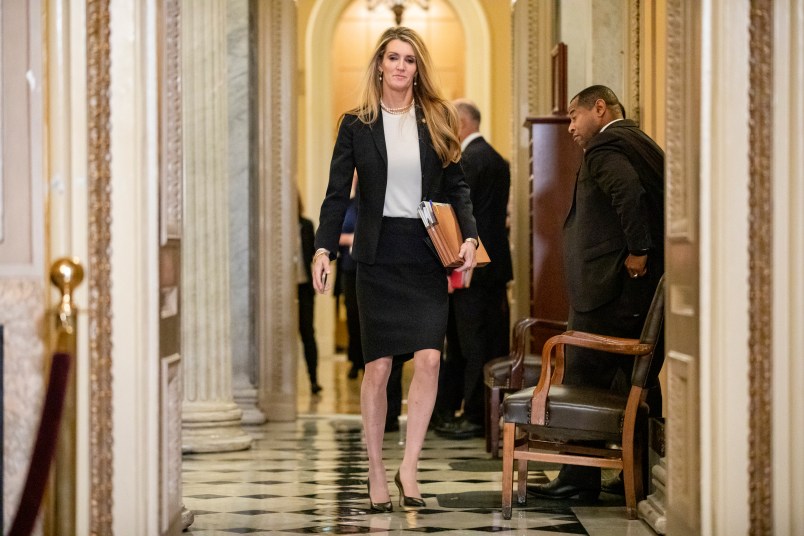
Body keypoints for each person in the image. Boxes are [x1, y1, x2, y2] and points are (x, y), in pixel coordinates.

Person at [311, 26, 478, 512]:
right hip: (378, 256)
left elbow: (458, 186)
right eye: (393, 58)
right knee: (379, 368)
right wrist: (324, 250)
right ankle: (376, 470)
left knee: (429, 360)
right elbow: (335, 193)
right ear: (380, 65)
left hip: (425, 252)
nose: (401, 66)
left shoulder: (437, 120)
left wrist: (469, 236)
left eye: (409, 59)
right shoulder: (356, 124)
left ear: (417, 67)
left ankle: (410, 464)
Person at [529, 85, 664, 500]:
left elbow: (629, 195)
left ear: (600, 109)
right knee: (637, 386)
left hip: (607, 295)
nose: (570, 126)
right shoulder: (642, 143)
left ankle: (578, 479)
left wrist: (638, 251)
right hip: (629, 297)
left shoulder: (606, 148)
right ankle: (637, 473)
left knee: (584, 379)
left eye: (574, 116)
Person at [433, 99, 513, 439]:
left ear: (461, 123)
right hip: (489, 267)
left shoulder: (467, 161)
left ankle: (474, 415)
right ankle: (460, 410)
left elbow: (458, 218)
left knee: (471, 344)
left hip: (471, 266)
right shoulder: (496, 158)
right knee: (480, 340)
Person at [298, 209, 322, 395]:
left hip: (304, 288)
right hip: (281, 290)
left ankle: (313, 379)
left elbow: (313, 253)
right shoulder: (273, 228)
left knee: (308, 332)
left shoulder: (306, 225)